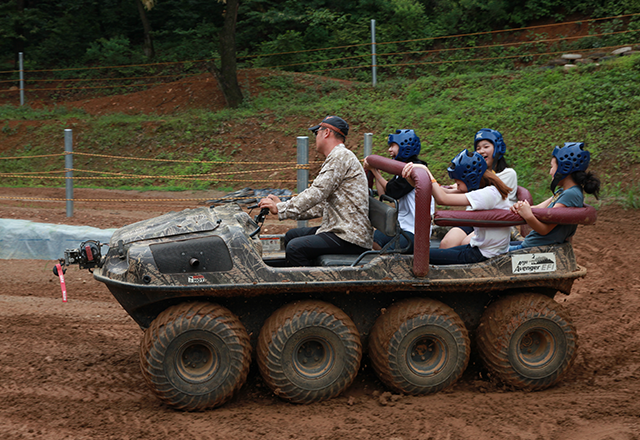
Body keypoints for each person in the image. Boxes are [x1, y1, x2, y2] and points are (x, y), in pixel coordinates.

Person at [258, 115, 373, 266]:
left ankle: (308, 286)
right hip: (340, 228)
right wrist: (284, 209)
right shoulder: (338, 157)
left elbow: (317, 192)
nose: (315, 137)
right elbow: (320, 206)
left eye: (316, 132)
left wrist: (281, 208)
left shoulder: (340, 156)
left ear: (326, 133)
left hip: (349, 236)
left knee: (295, 248)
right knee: (292, 235)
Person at [402, 149, 512, 265]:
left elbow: (442, 198)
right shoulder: (487, 189)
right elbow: (442, 191)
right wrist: (416, 181)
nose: (456, 186)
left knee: (421, 256)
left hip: (484, 255)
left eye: (458, 182)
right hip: (479, 249)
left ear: (470, 179)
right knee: (433, 253)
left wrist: (425, 170)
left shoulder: (488, 194)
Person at [509, 142, 600, 251]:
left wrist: (528, 216)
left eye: (552, 167)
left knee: (486, 252)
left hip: (534, 249)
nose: (550, 172)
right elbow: (538, 208)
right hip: (532, 244)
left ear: (564, 168)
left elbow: (545, 230)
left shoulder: (571, 194)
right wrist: (520, 207)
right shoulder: (563, 191)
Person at [439, 128, 518, 249]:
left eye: (486, 146)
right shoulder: (473, 178)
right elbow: (453, 191)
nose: (481, 151)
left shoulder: (508, 174)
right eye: (478, 148)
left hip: (492, 223)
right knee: (447, 243)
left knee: (466, 243)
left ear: (497, 148)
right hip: (472, 218)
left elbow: (486, 194)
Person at [363, 129, 431, 253]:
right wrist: (376, 169)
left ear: (405, 146)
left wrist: (375, 172)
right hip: (401, 225)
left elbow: (392, 190)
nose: (389, 150)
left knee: (387, 256)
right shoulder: (402, 168)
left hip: (414, 231)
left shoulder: (415, 170)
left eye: (393, 146)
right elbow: (385, 193)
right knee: (370, 240)